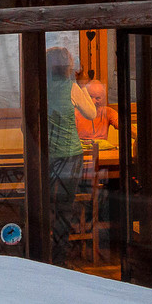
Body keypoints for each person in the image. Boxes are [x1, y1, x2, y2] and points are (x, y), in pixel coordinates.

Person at [46, 46, 98, 266]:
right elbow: (92, 113)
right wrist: (82, 86)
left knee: (46, 204)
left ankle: (43, 255)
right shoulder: (71, 87)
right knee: (65, 208)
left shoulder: (39, 84)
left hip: (47, 154)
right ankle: (60, 258)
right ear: (67, 67)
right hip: (70, 155)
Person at [76, 79, 120, 150]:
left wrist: (138, 137)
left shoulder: (107, 112)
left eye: (98, 98)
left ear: (103, 98)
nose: (93, 102)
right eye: (90, 97)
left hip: (103, 154)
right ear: (84, 95)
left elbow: (125, 126)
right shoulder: (75, 113)